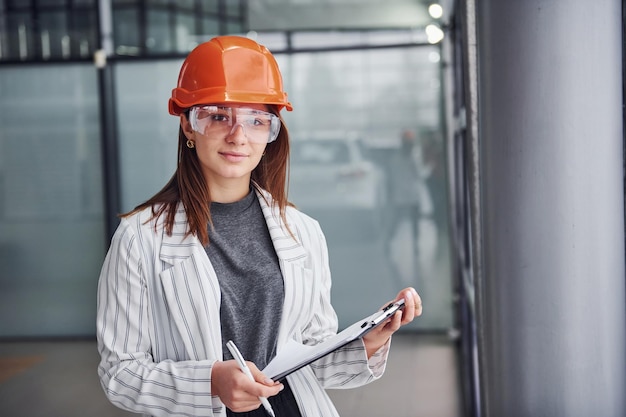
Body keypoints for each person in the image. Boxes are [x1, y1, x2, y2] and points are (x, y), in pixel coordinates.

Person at [96, 35, 422, 417]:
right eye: (218, 116)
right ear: (187, 125)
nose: (238, 135)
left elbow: (311, 356)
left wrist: (367, 342)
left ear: (271, 133)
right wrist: (211, 382)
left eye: (256, 120)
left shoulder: (303, 232)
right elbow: (120, 373)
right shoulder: (139, 238)